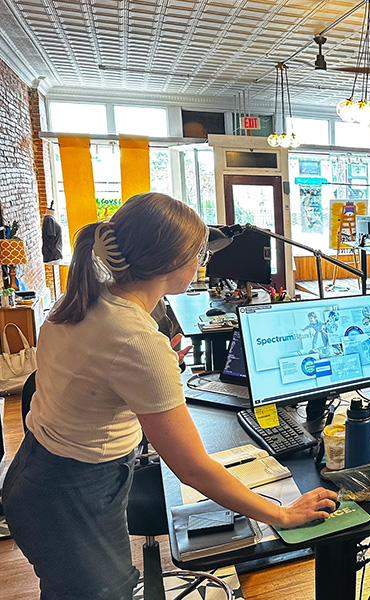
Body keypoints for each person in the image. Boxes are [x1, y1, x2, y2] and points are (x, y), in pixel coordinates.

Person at [1, 193, 338, 600]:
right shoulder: (135, 341)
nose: (203, 261)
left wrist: (156, 373)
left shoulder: (81, 299)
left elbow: (97, 376)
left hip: (37, 474)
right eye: (199, 253)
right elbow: (192, 469)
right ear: (172, 263)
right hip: (73, 496)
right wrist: (282, 514)